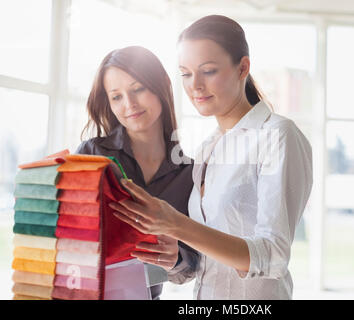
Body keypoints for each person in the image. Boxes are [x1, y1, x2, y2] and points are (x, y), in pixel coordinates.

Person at [110, 15, 313, 299]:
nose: (195, 85)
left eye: (208, 71)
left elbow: (274, 257)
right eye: (185, 73)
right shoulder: (208, 148)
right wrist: (174, 257)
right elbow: (207, 265)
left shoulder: (277, 135)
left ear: (243, 67)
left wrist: (177, 223)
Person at [76, 46, 199, 300]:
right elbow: (69, 235)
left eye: (138, 89)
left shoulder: (190, 175)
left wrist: (174, 258)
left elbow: (191, 264)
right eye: (116, 96)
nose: (129, 104)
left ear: (161, 85)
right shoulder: (93, 155)